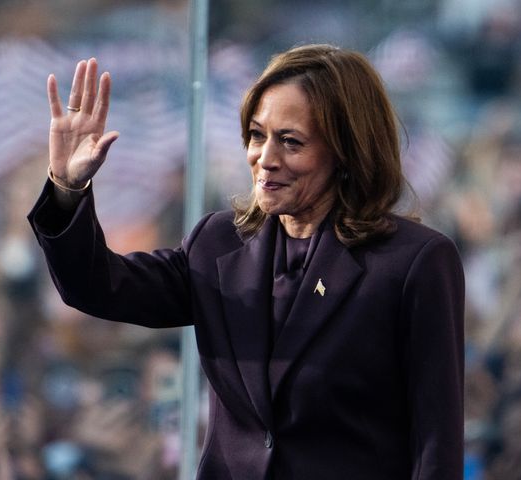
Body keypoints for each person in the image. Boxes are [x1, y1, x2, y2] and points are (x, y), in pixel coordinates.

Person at [28, 44, 465, 479]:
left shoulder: (413, 262)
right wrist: (67, 188)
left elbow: (436, 443)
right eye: (257, 135)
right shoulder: (218, 244)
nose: (266, 159)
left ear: (346, 152)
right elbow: (97, 287)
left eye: (291, 142)